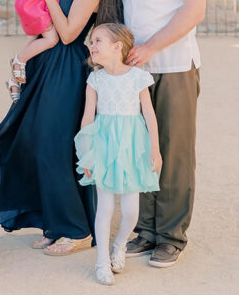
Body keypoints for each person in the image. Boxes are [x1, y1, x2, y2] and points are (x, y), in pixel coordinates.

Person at [0, 0, 122, 255]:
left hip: (68, 68)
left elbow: (70, 33)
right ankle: (52, 222)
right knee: (31, 140)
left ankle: (77, 228)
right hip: (47, 64)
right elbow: (42, 20)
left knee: (53, 148)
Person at [113, 0, 210, 268]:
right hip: (133, 69)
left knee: (173, 149)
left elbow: (194, 10)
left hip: (173, 67)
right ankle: (146, 228)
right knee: (139, 148)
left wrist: (152, 46)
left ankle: (171, 235)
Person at [75, 23, 162, 285]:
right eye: (92, 40)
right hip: (103, 146)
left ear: (117, 47)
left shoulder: (136, 77)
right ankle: (102, 261)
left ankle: (120, 244)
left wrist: (155, 149)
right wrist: (86, 154)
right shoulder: (96, 79)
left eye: (98, 40)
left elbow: (149, 114)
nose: (92, 45)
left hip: (132, 148)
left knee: (131, 211)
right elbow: (87, 118)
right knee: (105, 207)